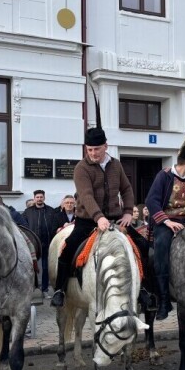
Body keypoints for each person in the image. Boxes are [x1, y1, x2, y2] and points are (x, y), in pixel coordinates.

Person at [50, 89, 137, 308]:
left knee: (142, 246)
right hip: (87, 221)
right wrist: (98, 217)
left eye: (96, 149)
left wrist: (127, 211)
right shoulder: (81, 168)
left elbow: (127, 189)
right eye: (89, 149)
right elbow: (86, 196)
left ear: (105, 146)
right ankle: (60, 289)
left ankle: (144, 290)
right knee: (67, 248)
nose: (93, 154)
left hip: (115, 220)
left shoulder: (116, 165)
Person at [145, 144, 185, 320]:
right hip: (166, 221)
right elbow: (151, 201)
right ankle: (164, 301)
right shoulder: (163, 176)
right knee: (161, 250)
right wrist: (166, 221)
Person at [23, 190, 60, 297]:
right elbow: (24, 226)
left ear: (44, 198)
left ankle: (44, 289)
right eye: (37, 197)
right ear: (34, 198)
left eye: (41, 197)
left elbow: (54, 226)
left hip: (47, 243)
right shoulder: (28, 211)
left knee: (45, 268)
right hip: (32, 244)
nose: (39, 199)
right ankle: (32, 288)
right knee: (31, 267)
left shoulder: (51, 211)